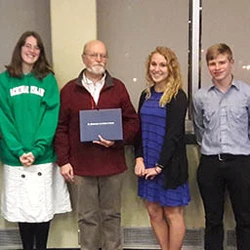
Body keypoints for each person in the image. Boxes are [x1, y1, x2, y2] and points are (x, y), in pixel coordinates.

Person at [54, 39, 139, 250]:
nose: (99, 59)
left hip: (112, 166)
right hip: (81, 168)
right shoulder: (69, 91)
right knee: (87, 218)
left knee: (112, 216)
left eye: (102, 55)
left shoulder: (118, 87)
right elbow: (60, 128)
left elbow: (133, 121)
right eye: (93, 55)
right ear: (84, 58)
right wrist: (63, 161)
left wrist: (117, 139)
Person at [0, 31, 71, 250]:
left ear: (41, 52)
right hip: (15, 157)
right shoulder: (4, 80)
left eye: (36, 47)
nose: (32, 51)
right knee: (22, 209)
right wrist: (18, 149)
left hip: (41, 157)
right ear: (19, 48)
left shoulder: (47, 80)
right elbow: (3, 117)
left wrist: (37, 149)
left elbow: (51, 117)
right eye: (27, 45)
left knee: (41, 210)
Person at [192, 43, 250, 250]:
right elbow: (199, 128)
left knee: (245, 219)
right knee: (213, 220)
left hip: (241, 163)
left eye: (222, 62)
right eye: (212, 63)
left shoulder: (246, 93)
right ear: (208, 66)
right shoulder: (200, 97)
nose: (217, 67)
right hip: (210, 163)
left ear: (231, 63)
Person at [134, 46, 190, 250]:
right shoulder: (145, 95)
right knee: (154, 211)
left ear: (171, 68)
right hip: (147, 162)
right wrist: (139, 158)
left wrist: (159, 167)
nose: (157, 69)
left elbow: (174, 136)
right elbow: (139, 130)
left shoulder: (178, 96)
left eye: (163, 65)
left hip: (169, 166)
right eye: (154, 64)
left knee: (172, 213)